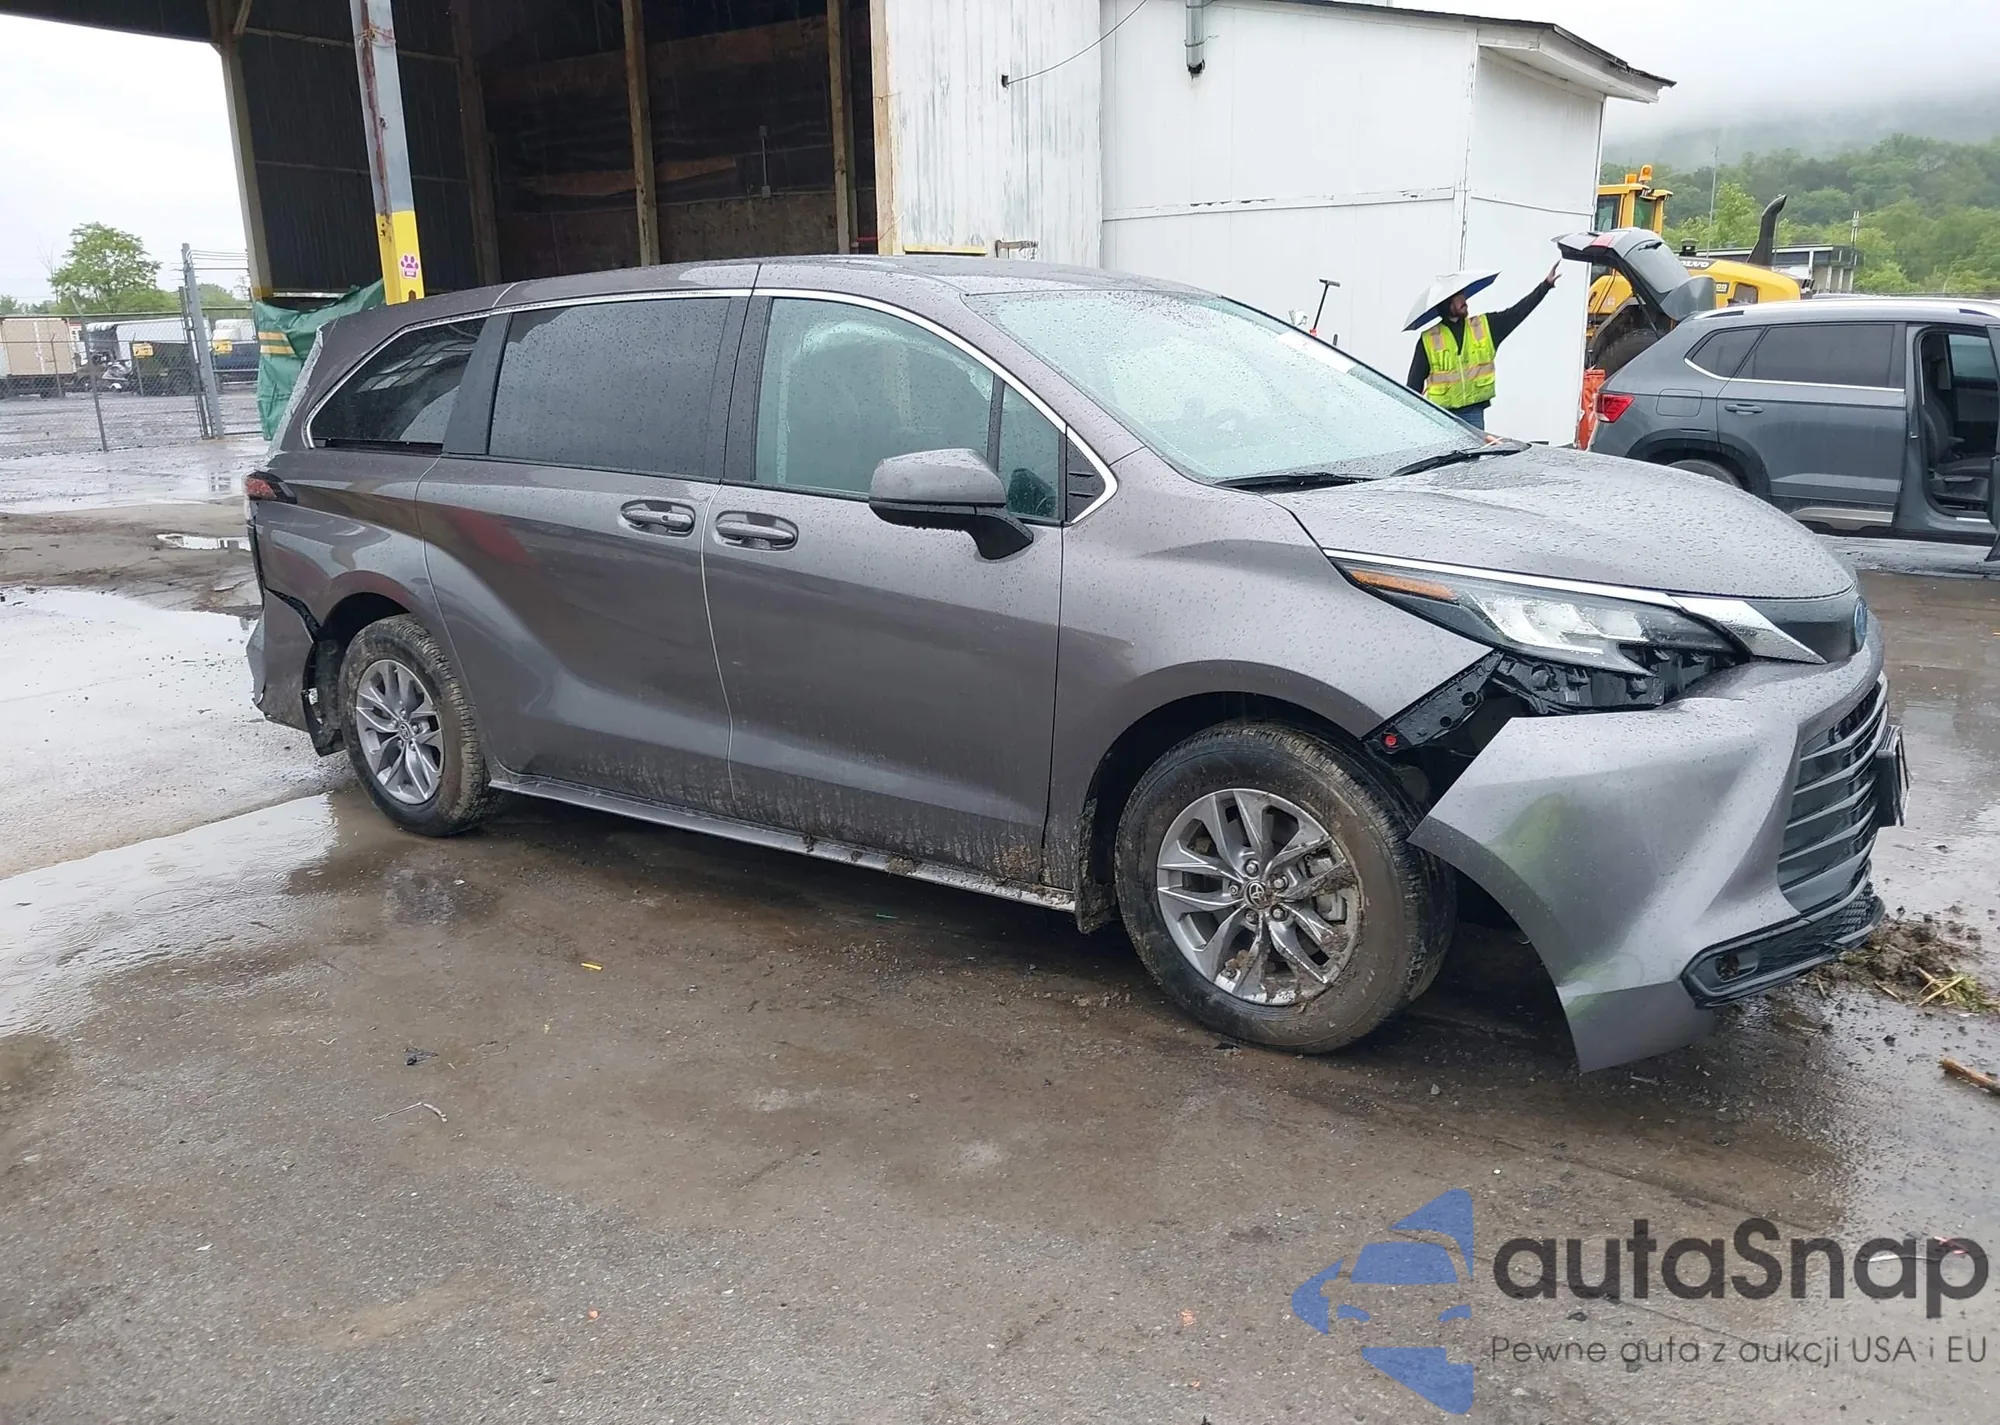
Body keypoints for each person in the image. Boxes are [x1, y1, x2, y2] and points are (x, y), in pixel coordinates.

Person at [1406, 265, 1561, 430]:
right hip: (1441, 415)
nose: (1464, 300)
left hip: (1473, 413)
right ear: (1446, 304)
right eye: (1458, 297)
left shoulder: (1484, 326)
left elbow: (1516, 313)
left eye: (1463, 294)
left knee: (1474, 449)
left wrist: (1545, 286)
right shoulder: (1429, 339)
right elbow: (1413, 385)